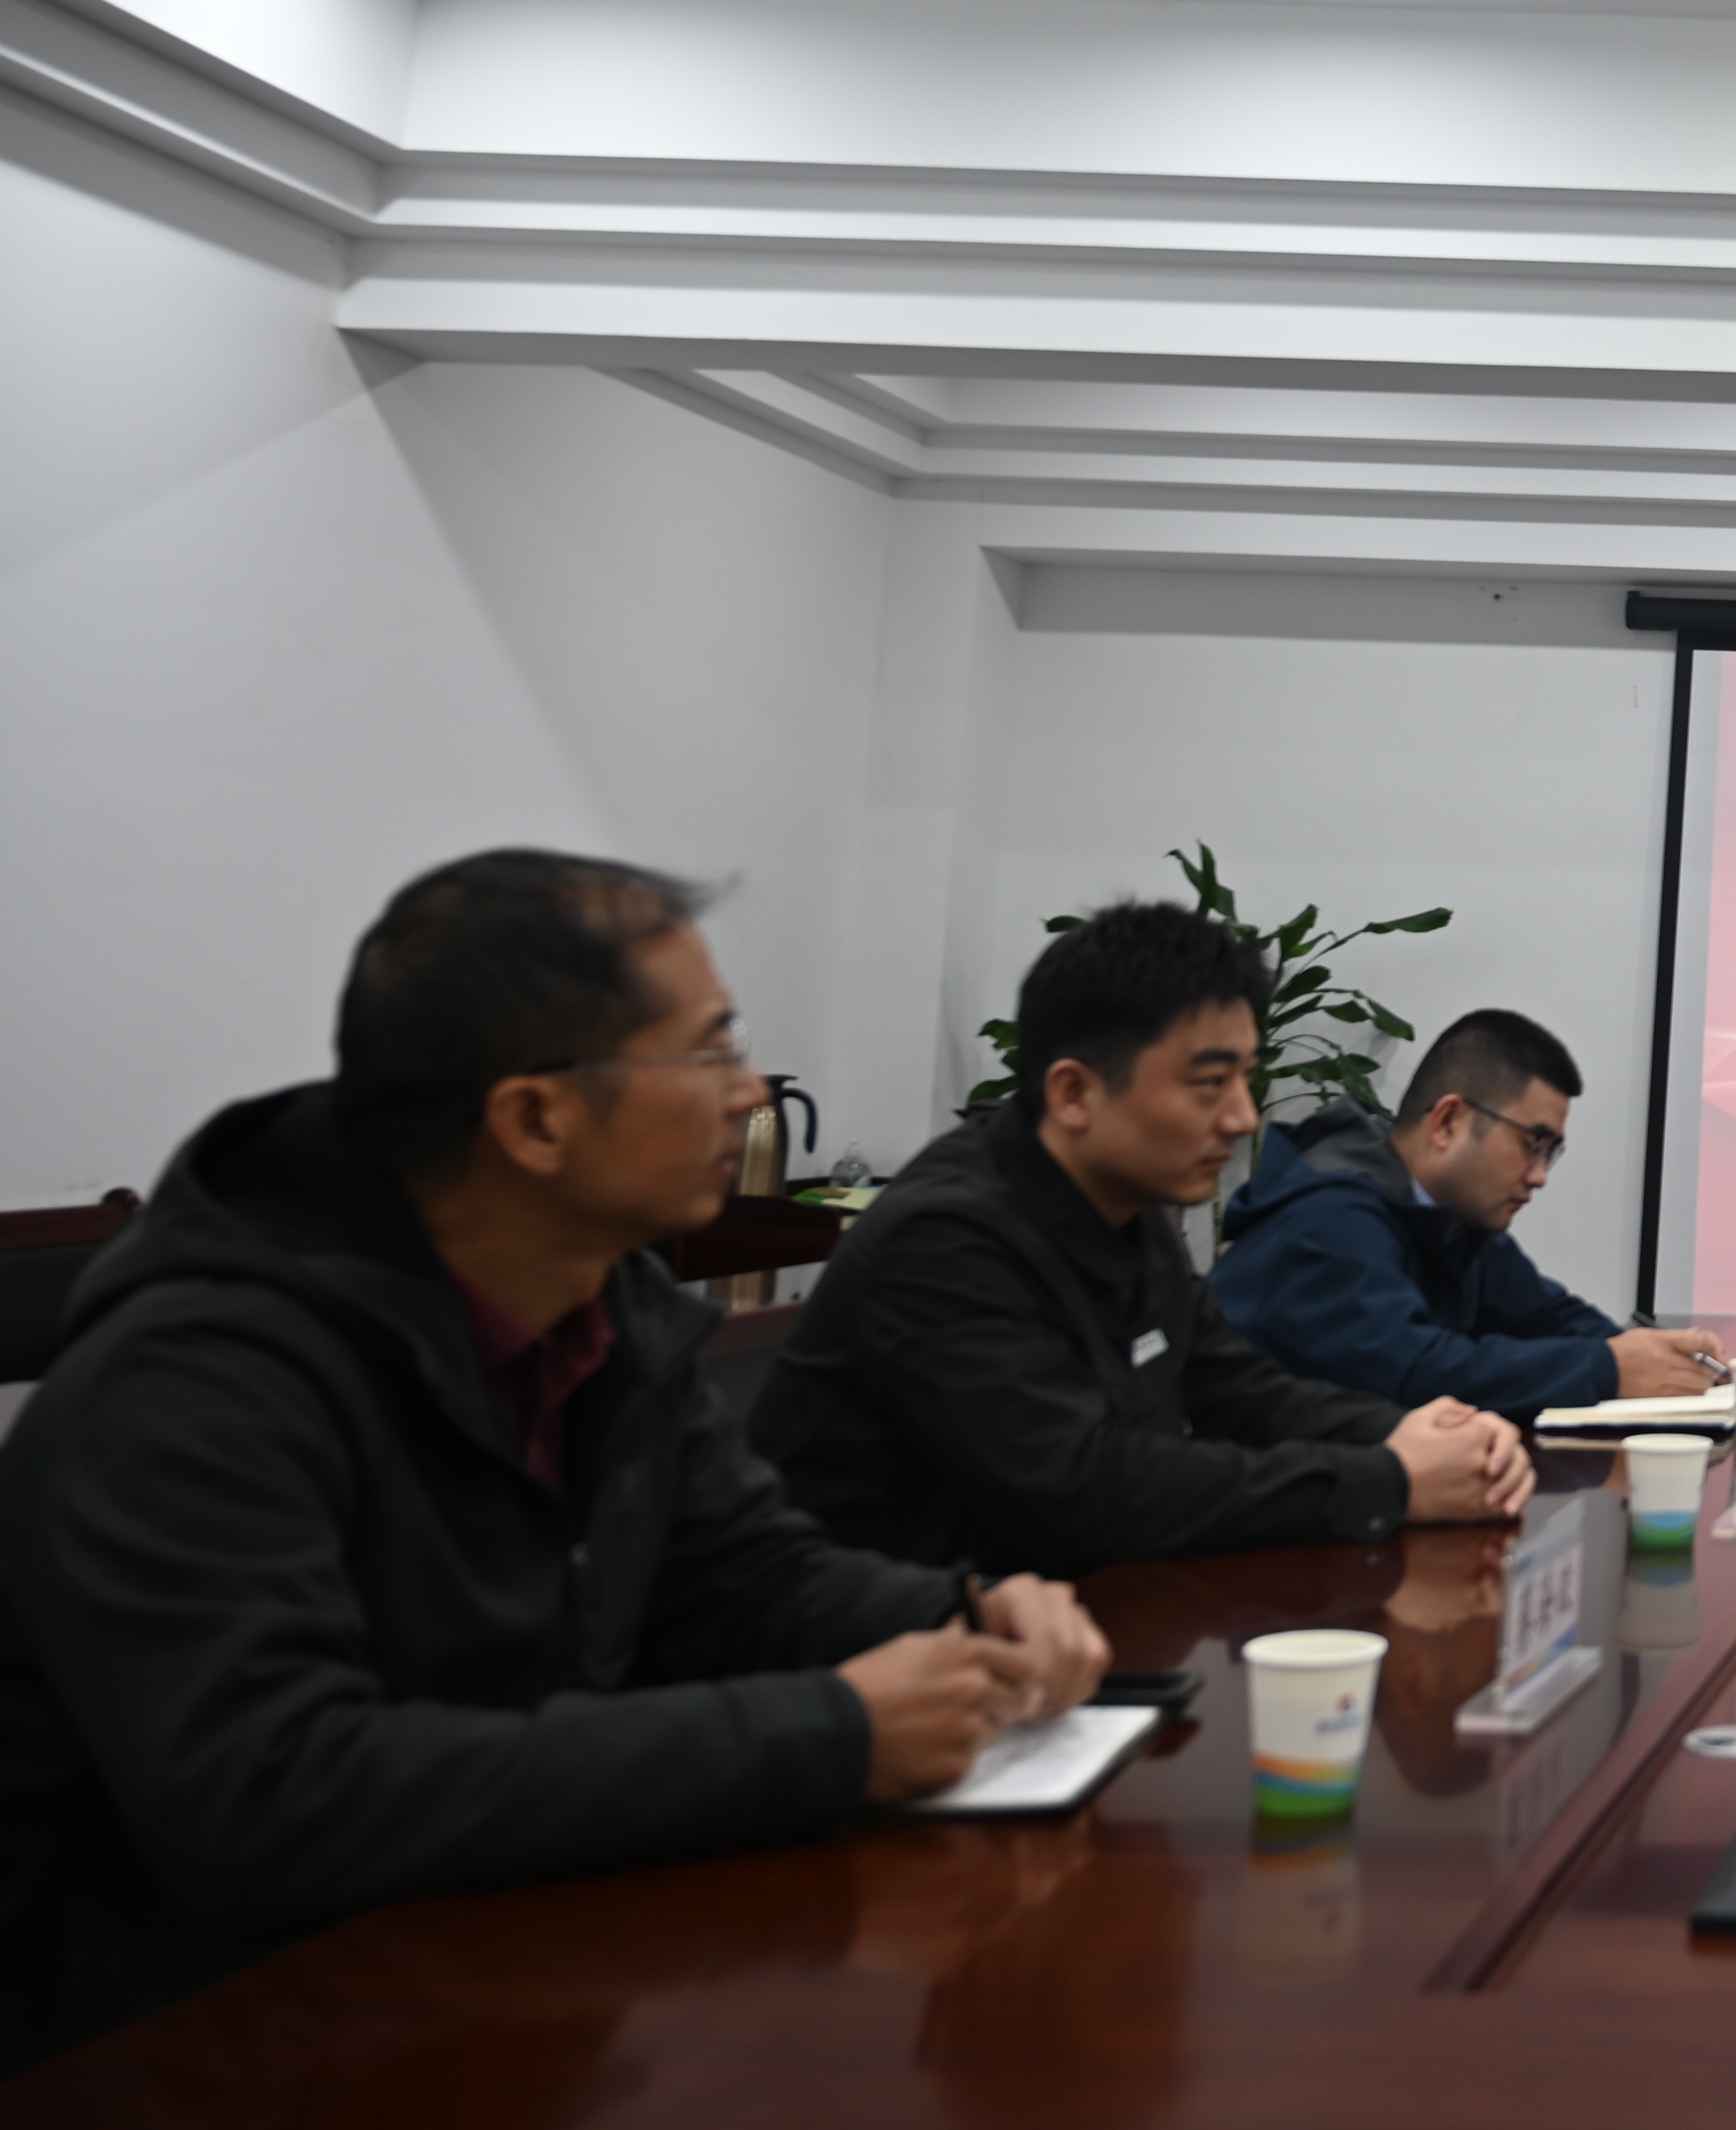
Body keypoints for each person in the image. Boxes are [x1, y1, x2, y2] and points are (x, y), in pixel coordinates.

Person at [0, 851, 1109, 2076]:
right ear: (534, 1118)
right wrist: (831, 1734)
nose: (750, 1095)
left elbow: (739, 1575)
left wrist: (959, 1610)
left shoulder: (602, 1302)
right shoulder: (195, 1382)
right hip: (197, 2046)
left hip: (484, 1973)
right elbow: (275, 1795)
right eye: (711, 1052)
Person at [753, 901, 1534, 1574]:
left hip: (1058, 1625)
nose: (1244, 1116)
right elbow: (1084, 1489)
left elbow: (1245, 1393)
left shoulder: (1129, 1211)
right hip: (882, 1660)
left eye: (1246, 1078)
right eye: (1210, 1082)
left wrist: (1421, 1433)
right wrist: (1389, 1481)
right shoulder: (945, 1239)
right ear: (1074, 1092)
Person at [1214, 1008, 1724, 1420]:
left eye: (1551, 1153)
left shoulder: (1451, 1218)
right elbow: (1415, 1375)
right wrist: (1609, 1369)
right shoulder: (1329, 1217)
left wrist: (1656, 1358)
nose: (1539, 1176)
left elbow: (1546, 1317)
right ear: (1448, 1122)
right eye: (1532, 1145)